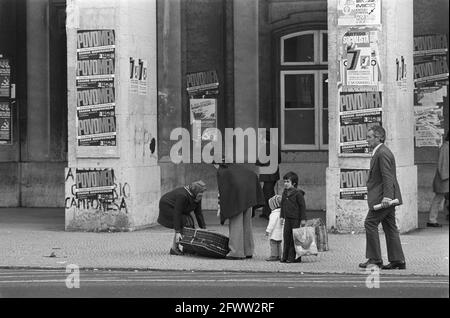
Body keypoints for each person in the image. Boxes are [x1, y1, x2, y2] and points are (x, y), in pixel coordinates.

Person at [359, 125, 406, 270]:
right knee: (390, 227)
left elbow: (387, 176)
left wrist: (386, 197)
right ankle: (398, 260)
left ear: (379, 138)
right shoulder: (380, 152)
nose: (367, 140)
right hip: (386, 197)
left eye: (369, 137)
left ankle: (375, 259)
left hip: (383, 198)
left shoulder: (382, 153)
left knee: (370, 223)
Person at [215, 161, 265, 260]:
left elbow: (224, 190)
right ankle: (248, 251)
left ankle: (236, 252)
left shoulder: (223, 171)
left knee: (236, 225)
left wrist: (222, 207)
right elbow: (253, 176)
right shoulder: (239, 169)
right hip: (249, 197)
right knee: (247, 225)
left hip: (236, 200)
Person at [157, 180, 207, 255]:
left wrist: (203, 228)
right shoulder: (182, 195)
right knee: (184, 222)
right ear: (195, 192)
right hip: (167, 206)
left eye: (202, 193)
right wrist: (177, 231)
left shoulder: (197, 195)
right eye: (201, 194)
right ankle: (174, 248)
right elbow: (177, 213)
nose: (201, 196)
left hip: (180, 209)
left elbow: (198, 213)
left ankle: (188, 248)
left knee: (189, 221)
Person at [280, 172, 307, 263]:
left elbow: (302, 206)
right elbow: (282, 205)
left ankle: (293, 257)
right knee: (286, 237)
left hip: (296, 219)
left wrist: (303, 219)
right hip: (287, 218)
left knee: (294, 238)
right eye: (284, 181)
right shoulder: (284, 192)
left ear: (294, 183)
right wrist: (281, 216)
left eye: (287, 181)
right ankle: (285, 256)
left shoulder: (298, 193)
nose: (285, 183)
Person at [256, 131, 281, 220]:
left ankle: (272, 212)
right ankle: (266, 212)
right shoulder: (275, 147)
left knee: (268, 194)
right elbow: (279, 160)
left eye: (260, 138)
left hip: (268, 175)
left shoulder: (264, 148)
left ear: (263, 138)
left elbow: (261, 161)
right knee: (267, 192)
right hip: (273, 174)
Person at [427, 131, 449, 227]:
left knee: (443, 198)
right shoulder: (445, 147)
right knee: (438, 199)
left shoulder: (446, 147)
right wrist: (445, 176)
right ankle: (432, 220)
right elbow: (442, 164)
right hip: (445, 178)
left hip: (445, 177)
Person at [265, 195, 283, 261]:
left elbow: (271, 224)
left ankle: (274, 255)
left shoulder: (274, 214)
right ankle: (280, 255)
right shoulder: (282, 213)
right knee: (279, 244)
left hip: (275, 233)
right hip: (281, 232)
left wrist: (268, 231)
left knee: (273, 243)